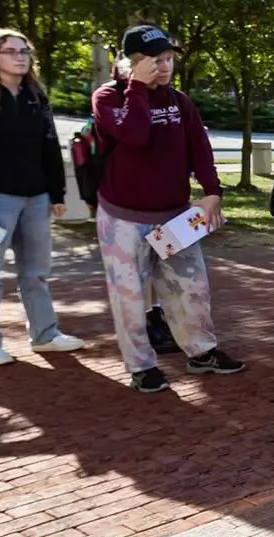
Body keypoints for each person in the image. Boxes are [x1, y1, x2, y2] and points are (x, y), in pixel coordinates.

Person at [91, 24, 244, 392]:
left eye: (167, 58)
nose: (163, 66)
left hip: (175, 218)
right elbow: (135, 135)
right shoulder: (108, 98)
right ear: (131, 63)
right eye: (152, 60)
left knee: (191, 289)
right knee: (128, 296)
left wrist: (212, 192)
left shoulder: (179, 101)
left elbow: (200, 149)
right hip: (123, 219)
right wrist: (138, 88)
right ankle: (141, 366)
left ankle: (202, 352)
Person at [0, 29, 82, 365]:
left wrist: (56, 191)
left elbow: (49, 145)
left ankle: (45, 335)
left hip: (36, 198)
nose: (20, 57)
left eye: (24, 51)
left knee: (36, 271)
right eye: (11, 51)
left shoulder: (35, 95)